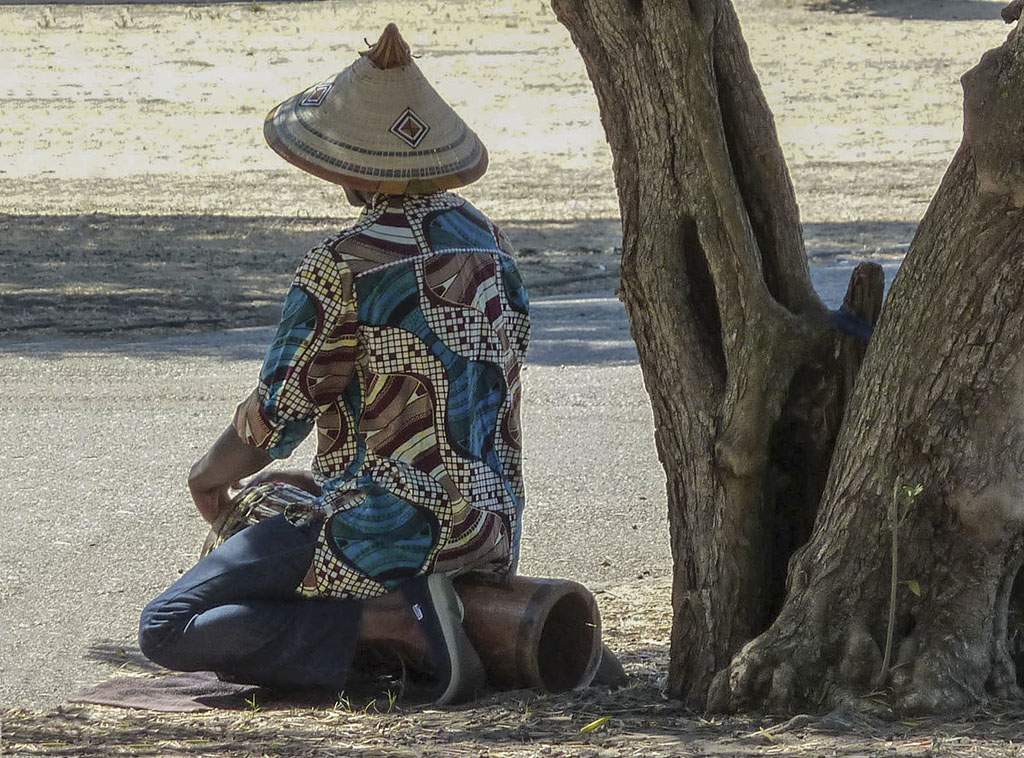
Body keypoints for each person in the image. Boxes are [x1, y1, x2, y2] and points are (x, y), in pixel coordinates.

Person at [138, 23, 530, 706]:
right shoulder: (494, 246)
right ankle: (403, 624)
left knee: (168, 628)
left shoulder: (345, 263)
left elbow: (279, 412)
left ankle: (392, 622)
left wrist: (207, 476)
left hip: (385, 530)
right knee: (282, 501)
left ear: (350, 165)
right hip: (489, 527)